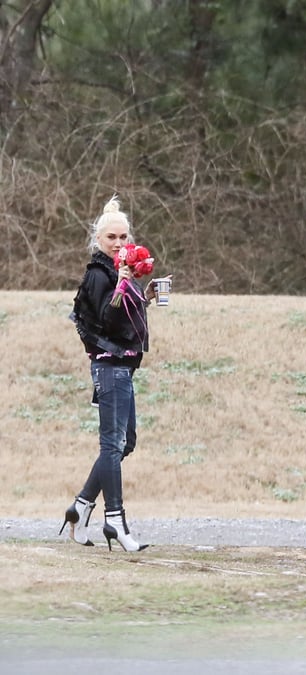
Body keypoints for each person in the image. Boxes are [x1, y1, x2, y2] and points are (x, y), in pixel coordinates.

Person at [60, 195, 159, 552]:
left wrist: (143, 296)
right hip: (109, 365)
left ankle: (82, 505)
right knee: (112, 444)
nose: (119, 244)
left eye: (123, 238)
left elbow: (122, 317)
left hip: (124, 366)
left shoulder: (122, 273)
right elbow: (105, 318)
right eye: (111, 239)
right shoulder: (99, 274)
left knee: (124, 442)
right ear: (98, 241)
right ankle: (114, 519)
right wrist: (122, 282)